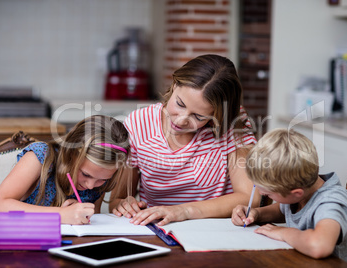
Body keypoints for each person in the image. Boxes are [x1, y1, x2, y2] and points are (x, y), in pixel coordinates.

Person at [109, 54, 261, 226]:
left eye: (198, 116)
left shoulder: (233, 123)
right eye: (180, 104)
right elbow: (117, 200)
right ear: (174, 85)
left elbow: (250, 197)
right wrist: (124, 205)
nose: (181, 120)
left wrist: (183, 211)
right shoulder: (138, 124)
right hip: (159, 229)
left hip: (217, 229)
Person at [231, 128, 347, 267]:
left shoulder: (331, 201)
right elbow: (283, 210)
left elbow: (319, 246)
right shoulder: (301, 191)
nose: (262, 194)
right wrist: (257, 214)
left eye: (268, 194)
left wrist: (283, 232)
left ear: (296, 193)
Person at [0, 115, 129, 225]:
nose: (90, 185)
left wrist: (79, 215)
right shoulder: (41, 157)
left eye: (103, 179)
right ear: (70, 153)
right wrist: (61, 214)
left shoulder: (98, 179)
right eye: (85, 174)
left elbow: (91, 222)